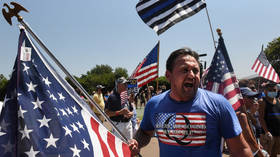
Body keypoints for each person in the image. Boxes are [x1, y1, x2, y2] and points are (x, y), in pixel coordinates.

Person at [129, 47, 252, 157]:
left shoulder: (219, 104)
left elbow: (240, 150)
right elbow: (145, 132)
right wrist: (137, 142)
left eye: (195, 70)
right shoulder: (154, 104)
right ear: (168, 75)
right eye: (185, 70)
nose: (192, 75)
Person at [238, 87, 266, 157]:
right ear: (242, 99)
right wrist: (261, 154)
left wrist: (258, 143)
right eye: (250, 97)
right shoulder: (240, 115)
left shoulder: (246, 113)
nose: (253, 100)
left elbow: (254, 131)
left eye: (254, 97)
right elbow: (248, 139)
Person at [259, 82, 280, 157]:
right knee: (269, 153)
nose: (273, 92)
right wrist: (266, 132)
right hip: (269, 133)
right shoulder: (263, 102)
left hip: (278, 131)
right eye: (270, 90)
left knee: (277, 151)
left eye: (274, 90)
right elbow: (261, 118)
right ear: (265, 91)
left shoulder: (278, 101)